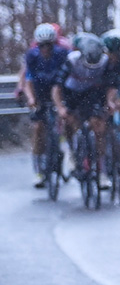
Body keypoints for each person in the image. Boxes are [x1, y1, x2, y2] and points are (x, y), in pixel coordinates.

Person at [52, 33, 118, 189]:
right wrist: (60, 107)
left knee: (99, 127)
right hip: (73, 93)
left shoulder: (105, 62)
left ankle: (101, 170)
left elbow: (112, 85)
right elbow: (57, 87)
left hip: (94, 94)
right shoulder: (71, 60)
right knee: (70, 120)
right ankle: (72, 152)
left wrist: (109, 101)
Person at [21, 23, 70, 187]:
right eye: (42, 46)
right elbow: (28, 81)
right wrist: (30, 98)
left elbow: (68, 79)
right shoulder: (32, 56)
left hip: (58, 91)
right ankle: (39, 169)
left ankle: (70, 154)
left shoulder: (63, 54)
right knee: (38, 128)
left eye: (49, 45)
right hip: (40, 93)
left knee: (68, 121)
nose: (46, 49)